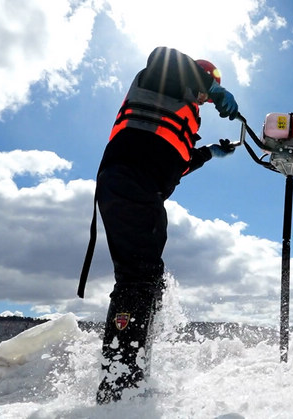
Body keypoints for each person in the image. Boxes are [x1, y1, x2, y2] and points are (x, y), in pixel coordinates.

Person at [77, 46, 239, 404]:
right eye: (204, 91)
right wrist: (211, 87)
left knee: (147, 278)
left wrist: (209, 153)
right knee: (139, 278)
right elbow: (164, 53)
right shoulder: (160, 78)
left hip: (141, 189)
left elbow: (175, 164)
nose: (204, 100)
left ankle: (128, 376)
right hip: (129, 182)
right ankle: (120, 387)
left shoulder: (180, 116)